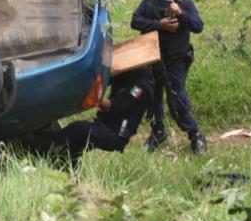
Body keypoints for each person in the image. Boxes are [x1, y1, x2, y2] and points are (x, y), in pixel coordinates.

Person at [130, 0, 207, 155]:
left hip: (176, 60)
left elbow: (198, 26)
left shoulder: (185, 3)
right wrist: (159, 25)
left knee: (176, 98)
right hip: (153, 57)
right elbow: (135, 21)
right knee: (151, 96)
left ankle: (195, 134)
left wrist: (180, 13)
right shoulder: (150, 0)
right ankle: (157, 132)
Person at [23, 66, 154, 169]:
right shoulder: (131, 73)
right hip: (106, 124)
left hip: (116, 135)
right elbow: (107, 78)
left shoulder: (140, 87)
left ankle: (38, 145)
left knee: (80, 130)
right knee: (76, 139)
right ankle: (63, 164)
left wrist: (93, 97)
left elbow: (114, 106)